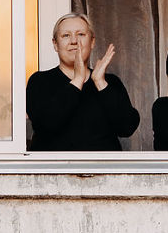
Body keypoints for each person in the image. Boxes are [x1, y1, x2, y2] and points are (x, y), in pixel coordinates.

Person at [27, 13, 140, 151]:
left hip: (103, 170)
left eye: (81, 34)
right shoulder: (39, 81)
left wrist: (100, 83)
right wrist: (78, 80)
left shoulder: (110, 82)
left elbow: (127, 128)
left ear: (92, 42)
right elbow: (46, 124)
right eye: (66, 35)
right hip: (55, 171)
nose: (74, 41)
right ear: (55, 44)